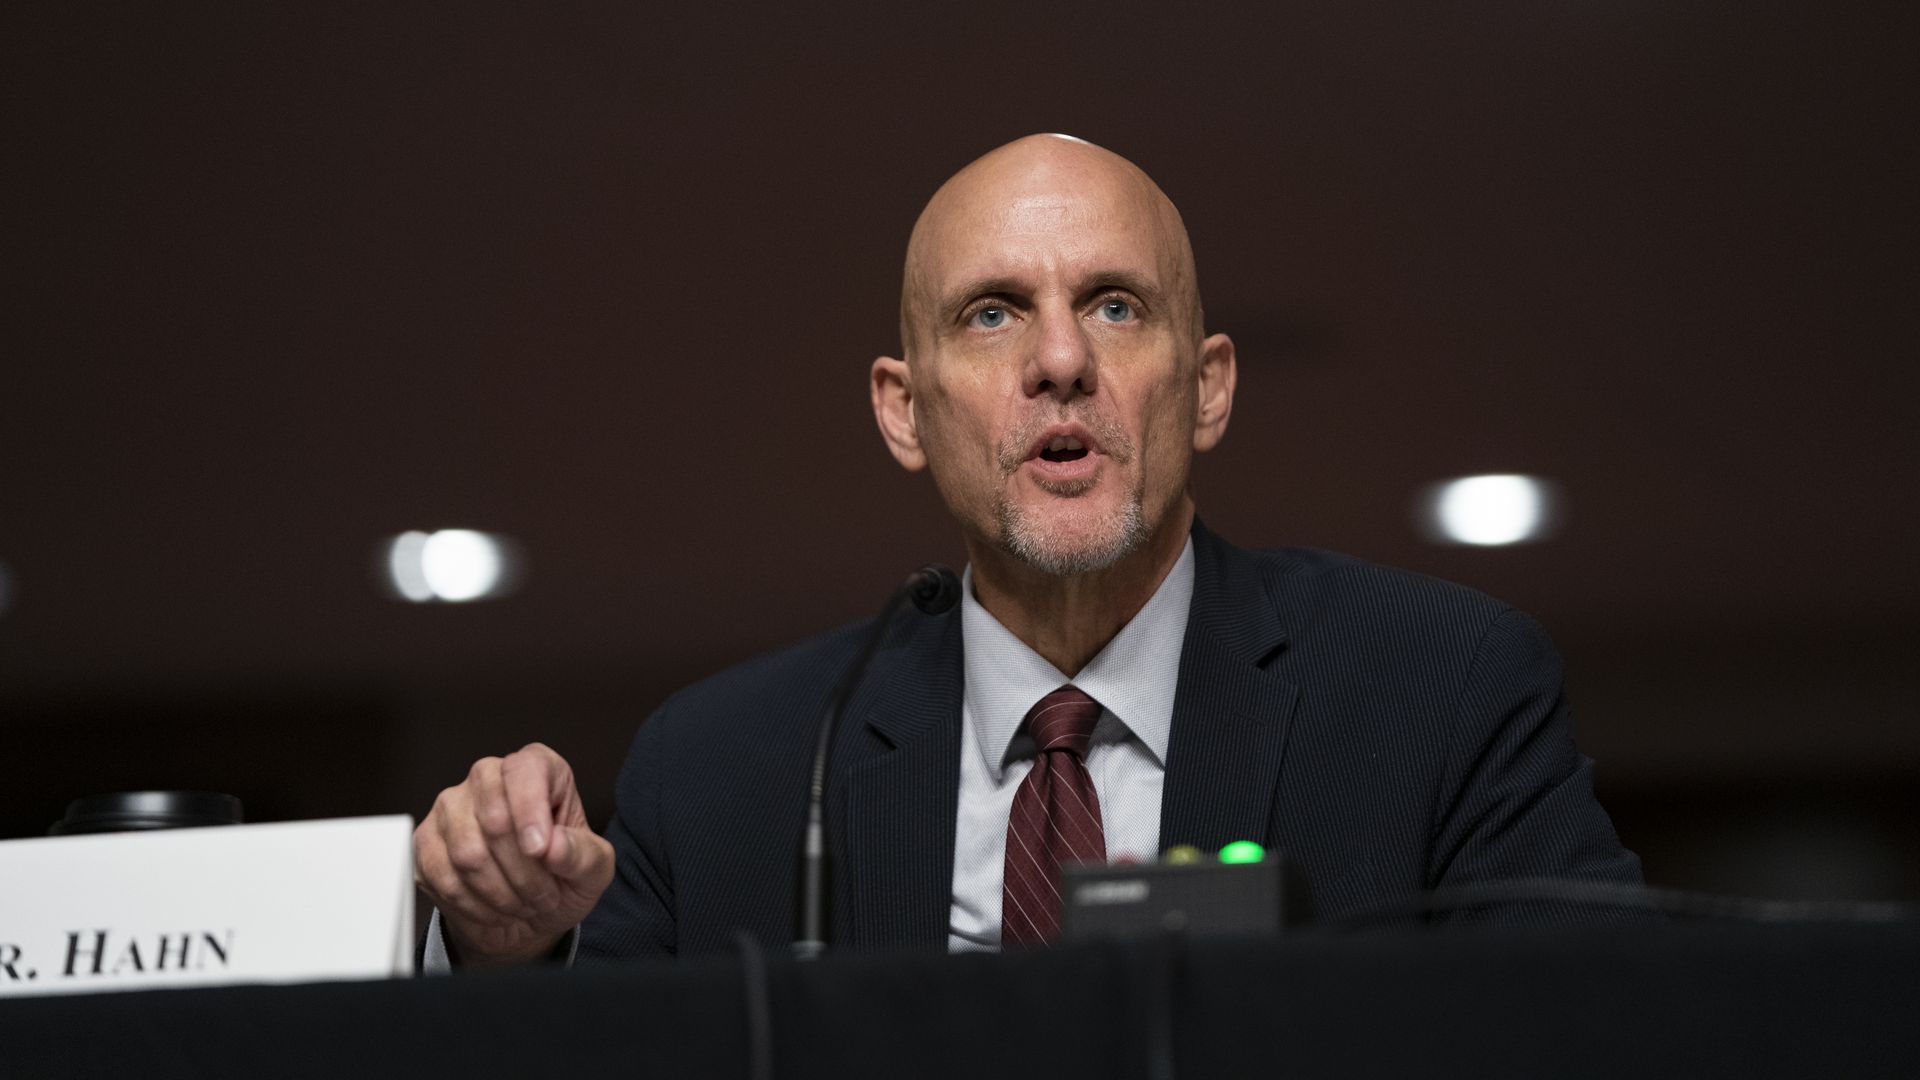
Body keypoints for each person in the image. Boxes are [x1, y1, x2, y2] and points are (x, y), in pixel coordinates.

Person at [413, 133, 1645, 966]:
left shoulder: (1442, 693)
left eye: (1115, 304)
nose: (1061, 360)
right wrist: (516, 949)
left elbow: (1606, 1031)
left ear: (1209, 387)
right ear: (905, 410)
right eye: (993, 313)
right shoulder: (724, 772)